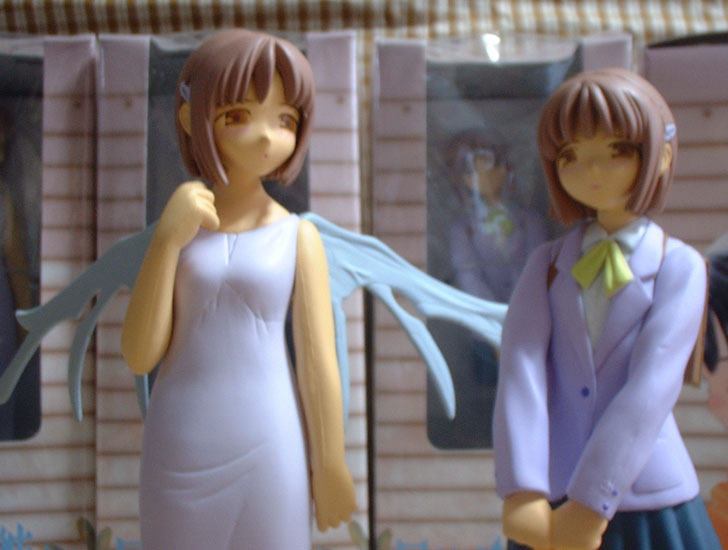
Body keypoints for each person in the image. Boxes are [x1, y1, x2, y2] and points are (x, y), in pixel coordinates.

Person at [121, 29, 356, 550]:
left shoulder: (299, 237)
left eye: (285, 120)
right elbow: (139, 354)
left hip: (272, 442)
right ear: (192, 119)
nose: (267, 137)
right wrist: (166, 240)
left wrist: (329, 463)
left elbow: (318, 362)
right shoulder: (178, 232)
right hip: (179, 443)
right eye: (238, 116)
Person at [493, 68, 720, 550]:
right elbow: (519, 373)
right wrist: (522, 489)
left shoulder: (679, 266)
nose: (592, 170)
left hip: (643, 493)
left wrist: (591, 504)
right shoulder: (546, 264)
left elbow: (651, 389)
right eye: (570, 155)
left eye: (618, 150)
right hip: (550, 493)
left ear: (661, 155)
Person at [445, 127, 545, 304]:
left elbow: (536, 268)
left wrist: (518, 306)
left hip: (527, 308)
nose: (486, 176)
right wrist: (491, 312)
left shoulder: (530, 220)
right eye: (475, 171)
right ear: (466, 179)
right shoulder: (462, 229)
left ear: (505, 170)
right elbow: (468, 276)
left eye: (494, 166)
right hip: (481, 314)